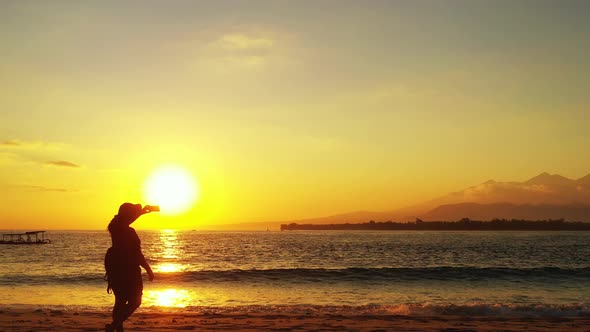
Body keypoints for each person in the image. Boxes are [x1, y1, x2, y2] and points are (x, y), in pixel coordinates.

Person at [105, 203, 155, 332]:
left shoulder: (114, 228)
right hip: (130, 270)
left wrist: (141, 212)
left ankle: (117, 328)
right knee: (135, 301)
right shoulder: (129, 232)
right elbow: (137, 254)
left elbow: (123, 219)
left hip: (115, 267)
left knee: (120, 301)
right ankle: (114, 326)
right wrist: (148, 269)